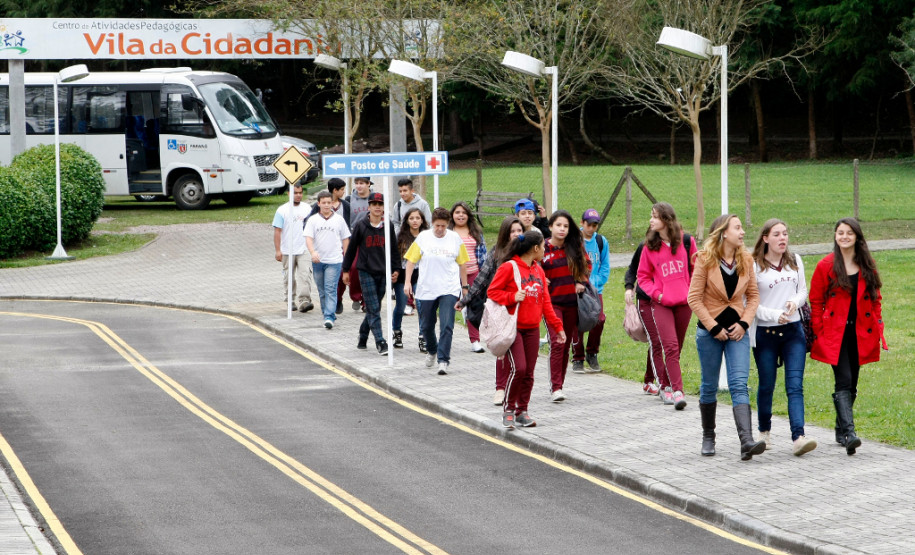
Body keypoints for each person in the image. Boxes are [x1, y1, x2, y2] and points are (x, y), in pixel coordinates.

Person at [687, 214, 764, 460]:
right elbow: (694, 299)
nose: (742, 232)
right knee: (709, 385)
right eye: (738, 228)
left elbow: (753, 297)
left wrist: (744, 323)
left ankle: (747, 441)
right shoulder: (704, 260)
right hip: (710, 333)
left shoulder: (746, 259)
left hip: (737, 332)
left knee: (739, 384)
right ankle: (708, 436)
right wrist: (713, 327)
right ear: (723, 233)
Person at [809, 217, 886, 456]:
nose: (844, 237)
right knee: (843, 379)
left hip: (860, 331)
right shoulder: (826, 265)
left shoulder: (867, 263)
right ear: (835, 236)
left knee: (852, 384)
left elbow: (875, 298)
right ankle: (850, 434)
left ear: (857, 237)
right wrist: (820, 330)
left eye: (849, 233)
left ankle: (840, 428)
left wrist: (878, 323)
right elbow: (816, 301)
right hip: (835, 333)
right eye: (840, 232)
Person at [750, 218, 817, 456]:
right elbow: (751, 303)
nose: (783, 238)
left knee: (795, 386)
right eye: (777, 234)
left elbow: (802, 291)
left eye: (785, 234)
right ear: (765, 238)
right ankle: (764, 432)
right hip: (765, 333)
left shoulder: (794, 260)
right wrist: (773, 314)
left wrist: (795, 302)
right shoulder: (754, 265)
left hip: (793, 332)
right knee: (767, 384)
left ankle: (798, 436)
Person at [487, 228, 566, 429]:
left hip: (532, 329)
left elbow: (546, 302)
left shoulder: (539, 270)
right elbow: (492, 291)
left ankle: (523, 410)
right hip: (513, 329)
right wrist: (512, 297)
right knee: (519, 368)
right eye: (543, 248)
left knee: (529, 372)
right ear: (534, 248)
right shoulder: (509, 267)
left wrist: (557, 327)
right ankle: (509, 409)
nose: (545, 251)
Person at [457, 216, 524, 405]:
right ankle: (500, 388)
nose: (517, 234)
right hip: (501, 309)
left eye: (520, 231)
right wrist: (465, 301)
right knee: (503, 348)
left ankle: (517, 392)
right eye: (513, 231)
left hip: (523, 308)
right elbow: (482, 278)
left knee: (522, 356)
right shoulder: (497, 253)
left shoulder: (528, 253)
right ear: (506, 233)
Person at [636, 202, 696, 410]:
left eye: (655, 217)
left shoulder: (687, 241)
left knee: (676, 348)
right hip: (661, 304)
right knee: (669, 346)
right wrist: (658, 294)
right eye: (651, 216)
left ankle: (666, 385)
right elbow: (642, 277)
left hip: (684, 304)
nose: (651, 220)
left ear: (666, 220)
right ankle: (678, 391)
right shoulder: (649, 247)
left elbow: (697, 269)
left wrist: (690, 290)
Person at [404, 208, 469, 375]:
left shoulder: (454, 239)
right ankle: (432, 350)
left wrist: (464, 287)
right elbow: (411, 261)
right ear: (432, 224)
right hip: (427, 287)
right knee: (426, 326)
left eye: (443, 226)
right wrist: (407, 282)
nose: (440, 229)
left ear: (448, 225)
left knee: (447, 325)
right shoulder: (423, 238)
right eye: (437, 225)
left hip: (449, 287)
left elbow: (462, 264)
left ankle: (443, 359)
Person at [541, 210, 591, 402]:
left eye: (566, 226)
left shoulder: (575, 246)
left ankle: (559, 384)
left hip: (572, 303)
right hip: (551, 304)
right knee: (557, 342)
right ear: (551, 226)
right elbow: (531, 266)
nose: (562, 229)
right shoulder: (542, 247)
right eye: (558, 225)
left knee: (566, 343)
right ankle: (555, 387)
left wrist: (581, 282)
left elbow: (587, 266)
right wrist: (541, 277)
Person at [342, 193, 399, 355]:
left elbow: (393, 249)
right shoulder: (361, 226)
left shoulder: (388, 226)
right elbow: (351, 249)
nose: (377, 207)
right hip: (365, 271)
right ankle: (380, 341)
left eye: (380, 204)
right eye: (374, 204)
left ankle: (362, 335)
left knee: (375, 306)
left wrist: (396, 269)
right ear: (369, 206)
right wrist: (346, 270)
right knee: (373, 308)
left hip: (383, 271)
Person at [304, 190, 351, 329]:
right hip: (318, 261)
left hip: (335, 260)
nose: (326, 205)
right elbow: (308, 238)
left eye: (328, 203)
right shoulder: (313, 220)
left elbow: (345, 238)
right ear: (318, 204)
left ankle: (329, 316)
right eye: (323, 203)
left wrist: (346, 256)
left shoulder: (339, 219)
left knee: (330, 288)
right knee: (322, 289)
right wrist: (312, 252)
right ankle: (327, 311)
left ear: (332, 204)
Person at [572, 208, 609, 373]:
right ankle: (577, 358)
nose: (592, 228)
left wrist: (596, 282)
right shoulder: (574, 240)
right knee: (578, 321)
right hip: (578, 287)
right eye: (589, 224)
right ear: (582, 223)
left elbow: (605, 266)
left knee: (599, 319)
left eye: (595, 225)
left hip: (594, 289)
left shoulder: (601, 241)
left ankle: (592, 353)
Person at [449, 201, 488, 353]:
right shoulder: (448, 232)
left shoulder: (475, 232)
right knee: (449, 306)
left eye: (464, 213)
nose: (461, 215)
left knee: (475, 307)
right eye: (457, 212)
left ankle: (475, 340)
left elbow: (483, 255)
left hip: (474, 274)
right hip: (452, 275)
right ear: (452, 215)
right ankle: (446, 338)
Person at [272, 183, 314, 313]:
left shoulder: (308, 208)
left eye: (300, 193)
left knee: (305, 275)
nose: (298, 195)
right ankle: (290, 300)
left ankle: (304, 301)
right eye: (295, 193)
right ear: (289, 193)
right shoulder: (282, 210)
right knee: (289, 277)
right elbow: (277, 231)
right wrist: (278, 250)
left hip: (304, 249)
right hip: (287, 250)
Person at [625, 244, 660, 395]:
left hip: (667, 300)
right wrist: (629, 287)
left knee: (668, 341)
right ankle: (651, 381)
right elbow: (632, 269)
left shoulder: (676, 247)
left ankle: (664, 380)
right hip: (645, 298)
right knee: (656, 339)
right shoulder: (645, 247)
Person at [394, 208, 428, 350]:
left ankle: (423, 336)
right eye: (411, 218)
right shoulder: (400, 236)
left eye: (417, 218)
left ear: (422, 220)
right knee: (401, 306)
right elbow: (395, 256)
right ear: (407, 221)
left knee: (421, 306)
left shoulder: (427, 236)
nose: (415, 221)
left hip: (421, 274)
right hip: (403, 275)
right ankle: (396, 332)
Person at [344, 176, 374, 311]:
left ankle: (366, 301)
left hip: (371, 237)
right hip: (354, 237)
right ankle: (356, 295)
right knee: (355, 268)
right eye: (357, 183)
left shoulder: (375, 199)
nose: (359, 186)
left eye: (362, 183)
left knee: (370, 269)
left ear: (368, 184)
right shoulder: (349, 199)